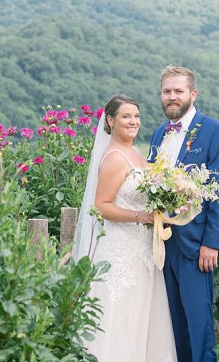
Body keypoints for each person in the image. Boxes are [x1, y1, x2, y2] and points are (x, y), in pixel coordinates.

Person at [72, 94, 177, 362]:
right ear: (110, 121)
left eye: (137, 116)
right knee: (120, 315)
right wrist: (141, 216)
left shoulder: (136, 153)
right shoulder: (115, 158)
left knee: (141, 315)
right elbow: (101, 206)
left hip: (142, 250)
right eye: (126, 116)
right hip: (120, 250)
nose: (133, 121)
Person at [147, 66, 219, 362]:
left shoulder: (213, 131)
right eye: (167, 91)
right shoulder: (159, 133)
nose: (172, 97)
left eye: (178, 91)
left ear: (192, 94)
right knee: (173, 326)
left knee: (199, 328)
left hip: (197, 246)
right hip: (162, 245)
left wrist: (212, 243)